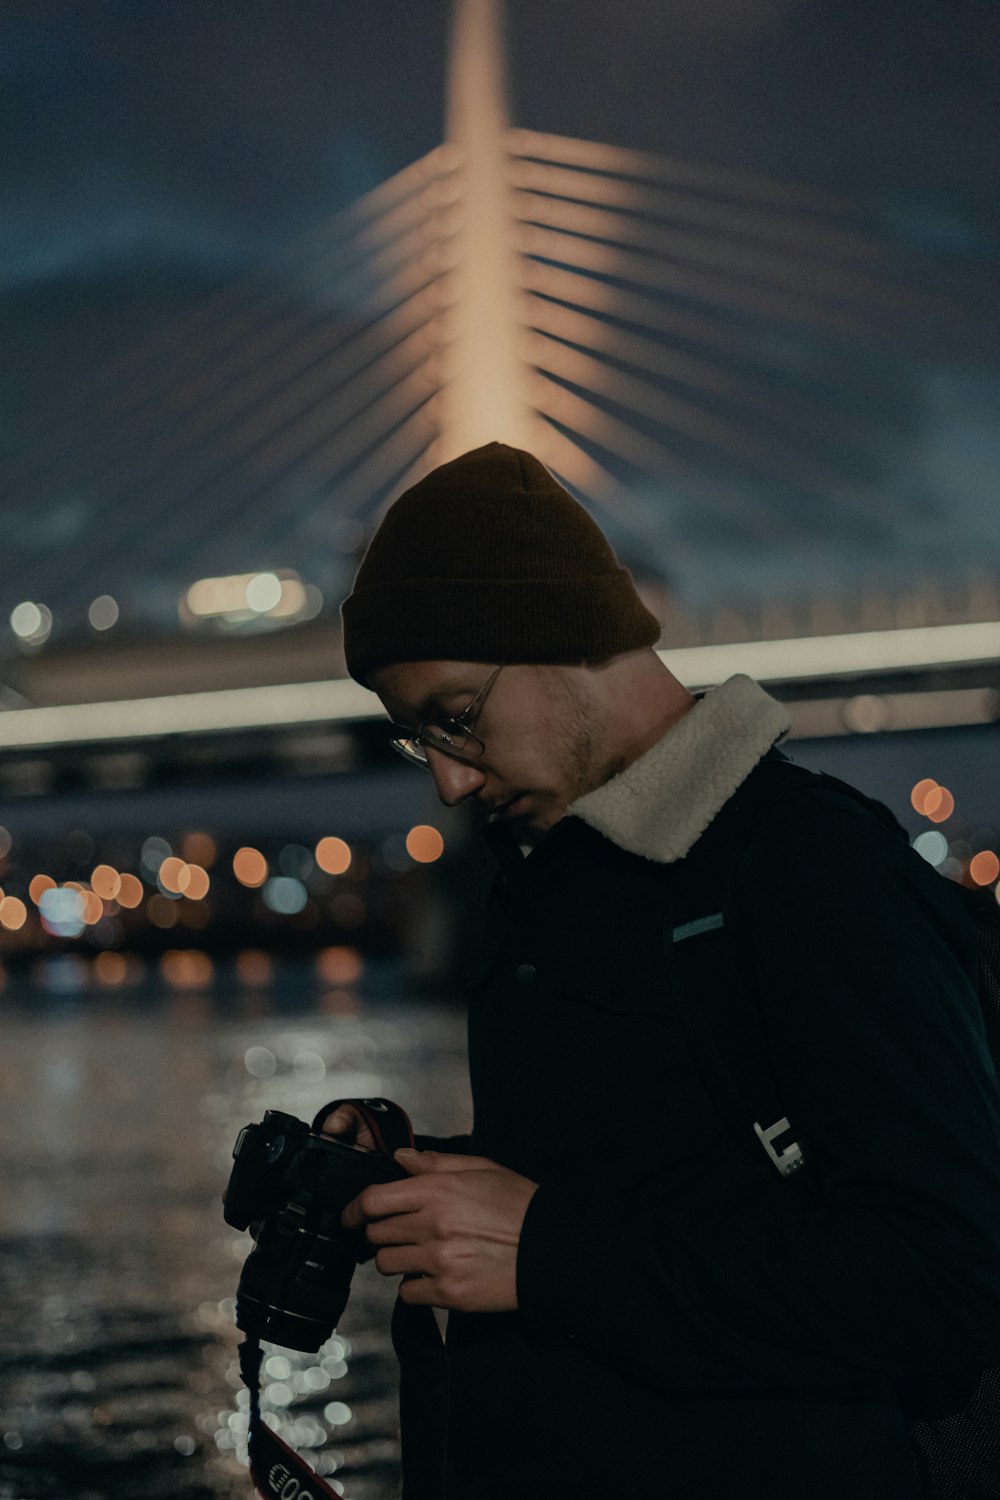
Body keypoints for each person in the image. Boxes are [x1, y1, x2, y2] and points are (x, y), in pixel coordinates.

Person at [325, 441, 1000, 1499]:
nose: (450, 784)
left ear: (560, 631)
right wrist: (423, 1173)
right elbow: (649, 1176)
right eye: (419, 743)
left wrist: (545, 1254)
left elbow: (946, 1275)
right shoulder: (550, 878)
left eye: (456, 718)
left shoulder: (805, 865)